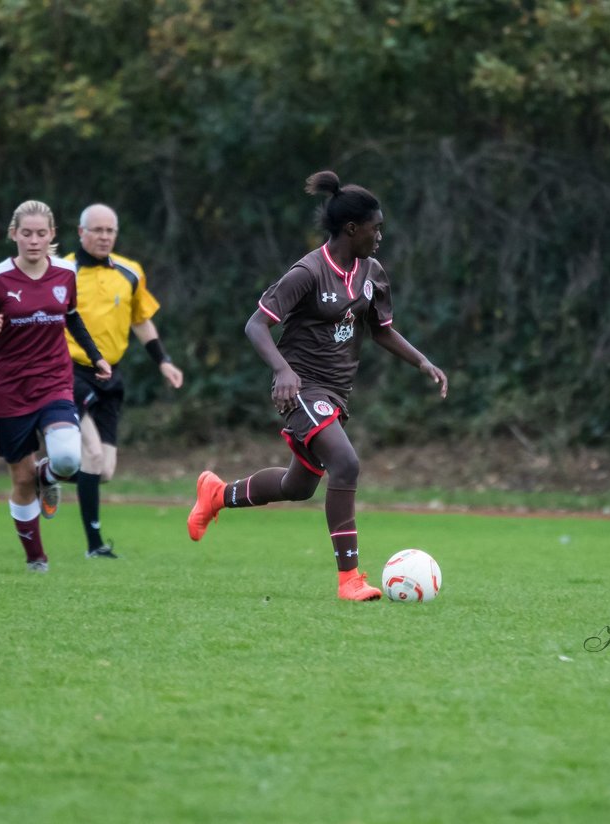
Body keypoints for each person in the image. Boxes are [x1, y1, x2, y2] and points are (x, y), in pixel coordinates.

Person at [187, 170, 448, 601]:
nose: (380, 235)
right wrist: (282, 371)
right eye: (375, 227)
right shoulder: (307, 272)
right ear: (351, 229)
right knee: (345, 464)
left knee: (298, 487)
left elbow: (381, 330)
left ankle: (216, 494)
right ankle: (350, 579)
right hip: (302, 390)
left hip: (336, 393)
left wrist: (422, 361)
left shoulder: (372, 271)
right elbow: (255, 326)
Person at [0, 200, 112, 573]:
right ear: (13, 235)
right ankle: (35, 558)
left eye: (41, 233)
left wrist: (96, 357)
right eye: (26, 233)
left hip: (55, 382)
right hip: (10, 390)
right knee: (20, 480)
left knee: (68, 459)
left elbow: (72, 319)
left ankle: (48, 476)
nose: (34, 240)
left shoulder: (64, 273)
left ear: (52, 235)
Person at [63, 203, 184, 559]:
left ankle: (46, 474)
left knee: (104, 471)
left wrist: (164, 361)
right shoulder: (62, 271)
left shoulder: (130, 272)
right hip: (67, 369)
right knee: (93, 453)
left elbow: (141, 321)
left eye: (109, 231)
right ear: (80, 232)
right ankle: (95, 545)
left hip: (110, 375)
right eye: (96, 230)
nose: (103, 236)